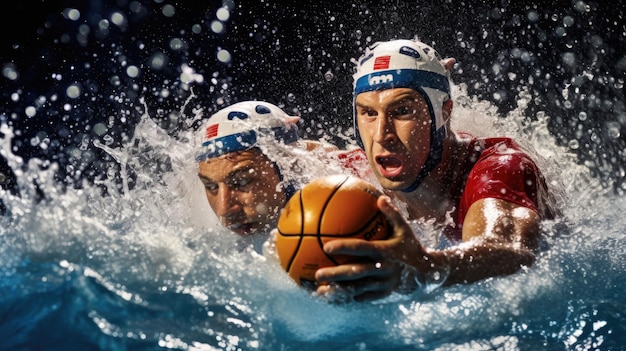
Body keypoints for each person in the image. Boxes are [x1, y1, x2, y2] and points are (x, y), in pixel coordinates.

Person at [313, 39, 561, 301]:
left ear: (444, 112)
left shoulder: (498, 167)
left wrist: (429, 267)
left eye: (402, 111)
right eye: (369, 113)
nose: (381, 135)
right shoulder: (357, 173)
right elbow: (295, 157)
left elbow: (506, 247)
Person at [195, 100, 368, 237]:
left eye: (241, 182)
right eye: (211, 187)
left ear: (288, 167)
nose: (224, 210)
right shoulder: (196, 221)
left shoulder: (355, 185)